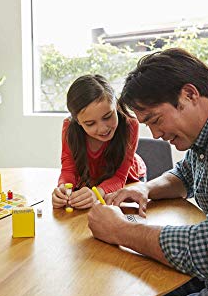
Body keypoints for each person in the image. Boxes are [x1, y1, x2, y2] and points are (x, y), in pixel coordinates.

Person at [87, 48, 208, 296]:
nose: (155, 134)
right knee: (149, 283)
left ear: (189, 95)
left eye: (155, 120)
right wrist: (145, 188)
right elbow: (185, 174)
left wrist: (122, 231)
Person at [52, 74, 146, 210]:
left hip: (128, 180)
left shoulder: (130, 124)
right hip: (90, 182)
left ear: (116, 105)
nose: (103, 128)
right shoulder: (69, 127)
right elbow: (68, 170)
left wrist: (97, 194)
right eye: (90, 123)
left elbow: (120, 177)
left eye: (108, 116)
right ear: (78, 122)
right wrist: (63, 190)